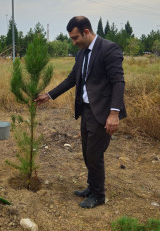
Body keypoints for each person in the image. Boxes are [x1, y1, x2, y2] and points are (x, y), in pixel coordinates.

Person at [35, 16, 127, 208]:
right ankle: (91, 187)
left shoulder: (109, 49)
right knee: (87, 152)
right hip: (86, 110)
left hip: (102, 112)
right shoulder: (82, 53)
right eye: (72, 38)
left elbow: (118, 82)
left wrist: (114, 113)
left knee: (94, 154)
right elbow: (72, 79)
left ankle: (99, 195)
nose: (74, 42)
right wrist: (49, 95)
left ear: (86, 32)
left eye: (76, 38)